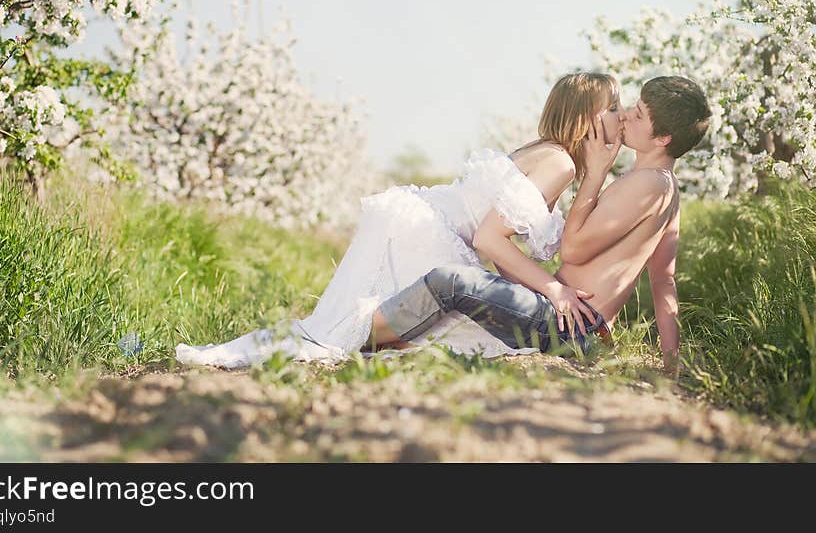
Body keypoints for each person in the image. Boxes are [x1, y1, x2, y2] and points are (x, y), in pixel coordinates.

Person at [175, 73, 623, 369]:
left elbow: (501, 246)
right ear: (587, 117)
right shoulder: (560, 163)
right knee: (431, 339)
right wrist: (553, 289)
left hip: (419, 217)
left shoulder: (541, 151)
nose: (620, 117)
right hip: (430, 231)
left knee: (354, 329)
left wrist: (532, 290)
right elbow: (490, 239)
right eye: (614, 107)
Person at [366, 76, 711, 375]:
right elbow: (663, 278)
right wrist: (672, 359)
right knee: (468, 291)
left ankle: (359, 334)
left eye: (638, 115)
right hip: (575, 322)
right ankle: (385, 338)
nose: (626, 118)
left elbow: (573, 249)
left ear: (662, 138)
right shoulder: (667, 188)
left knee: (452, 280)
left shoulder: (646, 183)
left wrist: (594, 174)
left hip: (570, 327)